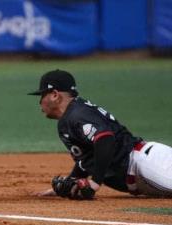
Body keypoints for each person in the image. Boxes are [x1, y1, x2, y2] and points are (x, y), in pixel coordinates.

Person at [28, 69, 172, 200]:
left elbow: (105, 139)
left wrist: (95, 183)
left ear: (54, 95)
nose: (40, 102)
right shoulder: (70, 118)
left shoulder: (77, 114)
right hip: (142, 166)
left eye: (42, 95)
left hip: (146, 163)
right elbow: (87, 159)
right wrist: (71, 181)